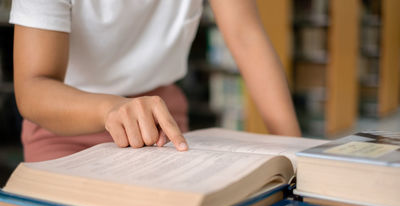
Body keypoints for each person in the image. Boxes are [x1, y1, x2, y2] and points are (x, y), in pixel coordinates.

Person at [10, 0, 301, 162]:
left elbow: (246, 37)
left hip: (161, 122)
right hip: (66, 121)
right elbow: (34, 87)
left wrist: (295, 153)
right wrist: (110, 109)